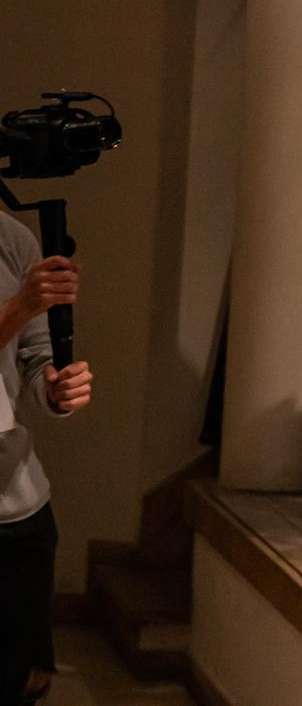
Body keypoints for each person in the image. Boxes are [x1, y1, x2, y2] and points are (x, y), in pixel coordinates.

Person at [0, 215, 93, 706]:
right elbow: (18, 318)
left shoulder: (11, 238)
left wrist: (56, 390)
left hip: (18, 503)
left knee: (23, 681)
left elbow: (33, 358)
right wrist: (21, 305)